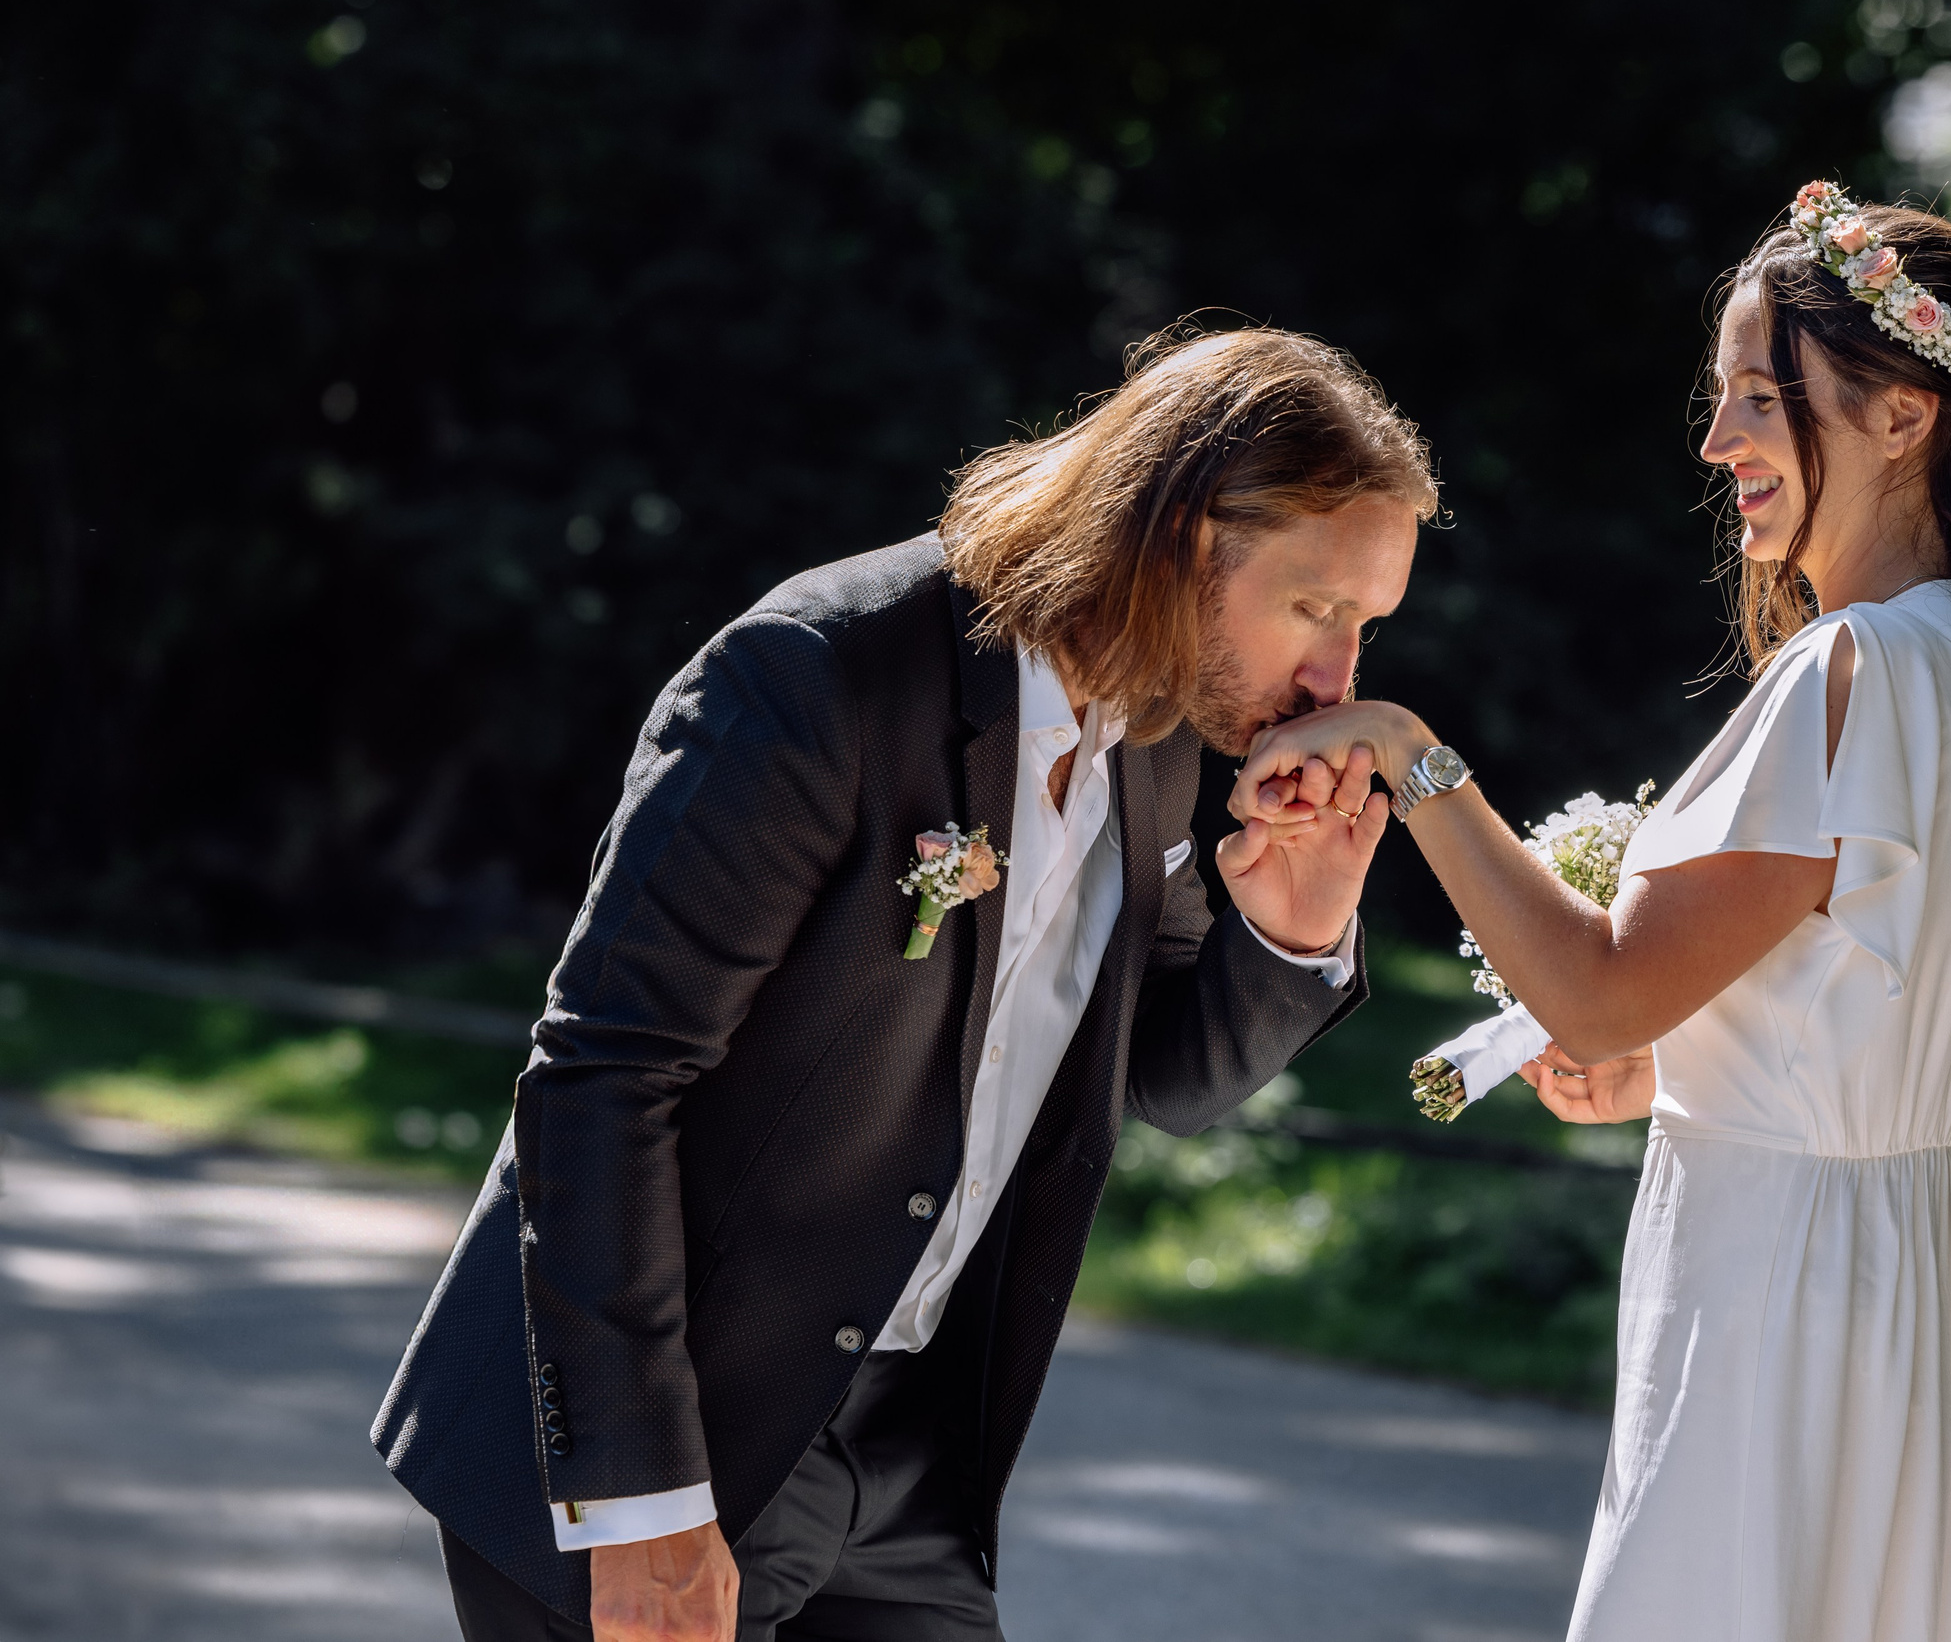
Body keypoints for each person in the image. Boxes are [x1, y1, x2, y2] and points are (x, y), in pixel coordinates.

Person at [374, 325, 1432, 1642]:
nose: (1338, 680)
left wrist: (1293, 924)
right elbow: (602, 1078)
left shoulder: (1155, 742)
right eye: (1317, 609)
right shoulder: (817, 679)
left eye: (1367, 627)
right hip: (672, 1438)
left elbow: (1166, 1084)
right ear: (1178, 537)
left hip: (907, 1468)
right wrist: (642, 1505)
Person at [1230, 185, 1951, 1641]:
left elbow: (1599, 993)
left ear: (1904, 415)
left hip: (1773, 1301)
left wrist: (1411, 758)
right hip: (1926, 1310)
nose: (1719, 441)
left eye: (1755, 399)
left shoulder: (1848, 671)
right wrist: (1693, 1071)